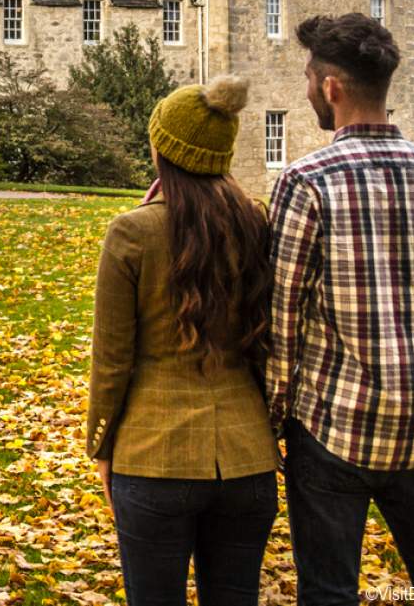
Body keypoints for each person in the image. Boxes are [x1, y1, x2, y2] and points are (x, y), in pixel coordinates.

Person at [268, 13, 414, 604]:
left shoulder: (307, 181)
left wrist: (276, 419)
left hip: (331, 429)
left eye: (311, 77)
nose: (307, 88)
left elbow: (281, 325)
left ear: (332, 87)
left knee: (329, 592)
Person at [88, 74, 279, 605]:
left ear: (161, 149)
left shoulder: (133, 232)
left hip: (154, 457)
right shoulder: (256, 224)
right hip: (247, 459)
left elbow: (111, 360)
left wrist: (101, 445)